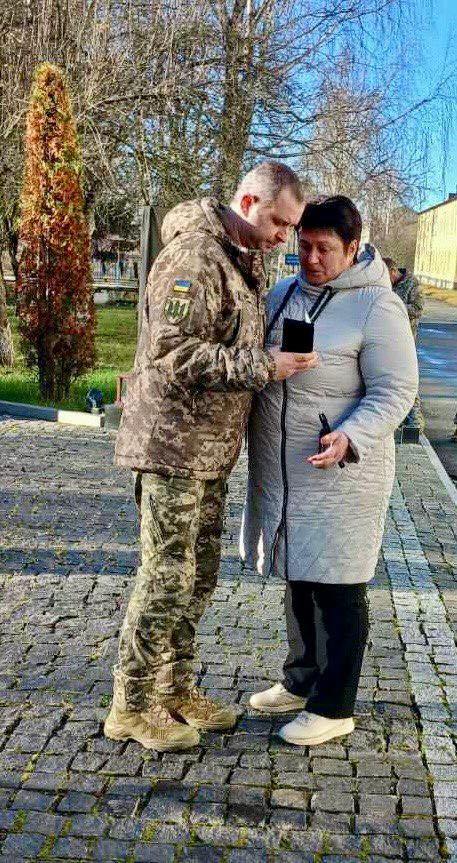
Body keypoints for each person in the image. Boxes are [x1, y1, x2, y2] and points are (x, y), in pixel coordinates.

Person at [104, 162, 318, 752]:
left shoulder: (239, 258)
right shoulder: (194, 257)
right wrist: (262, 365)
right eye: (280, 223)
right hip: (171, 447)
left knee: (197, 579)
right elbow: (170, 351)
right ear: (248, 202)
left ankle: (173, 690)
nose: (284, 237)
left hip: (209, 451)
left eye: (292, 227)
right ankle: (131, 705)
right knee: (165, 580)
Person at [242, 196, 418, 746]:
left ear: (353, 247)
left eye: (325, 248)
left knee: (338, 585)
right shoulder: (283, 294)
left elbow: (396, 390)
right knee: (297, 574)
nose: (312, 259)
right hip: (285, 468)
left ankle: (335, 704)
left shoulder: (377, 306)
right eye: (305, 246)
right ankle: (301, 681)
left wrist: (351, 435)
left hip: (341, 470)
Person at [384, 257, 424, 429]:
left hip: (406, 339)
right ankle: (397, 418)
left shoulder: (412, 284)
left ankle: (415, 420)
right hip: (387, 339)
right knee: (391, 380)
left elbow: (418, 309)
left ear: (393, 272)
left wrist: (395, 307)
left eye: (387, 276)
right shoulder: (386, 285)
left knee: (408, 379)